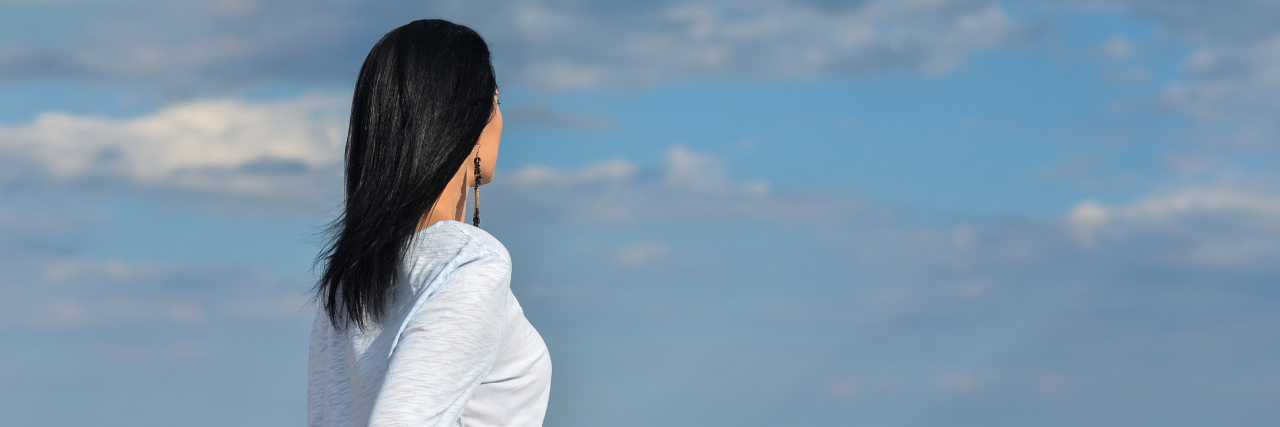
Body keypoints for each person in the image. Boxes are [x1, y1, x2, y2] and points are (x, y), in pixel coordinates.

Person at [307, 19, 551, 427]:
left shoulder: (347, 283)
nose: (500, 118)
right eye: (495, 102)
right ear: (464, 121)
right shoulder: (470, 264)